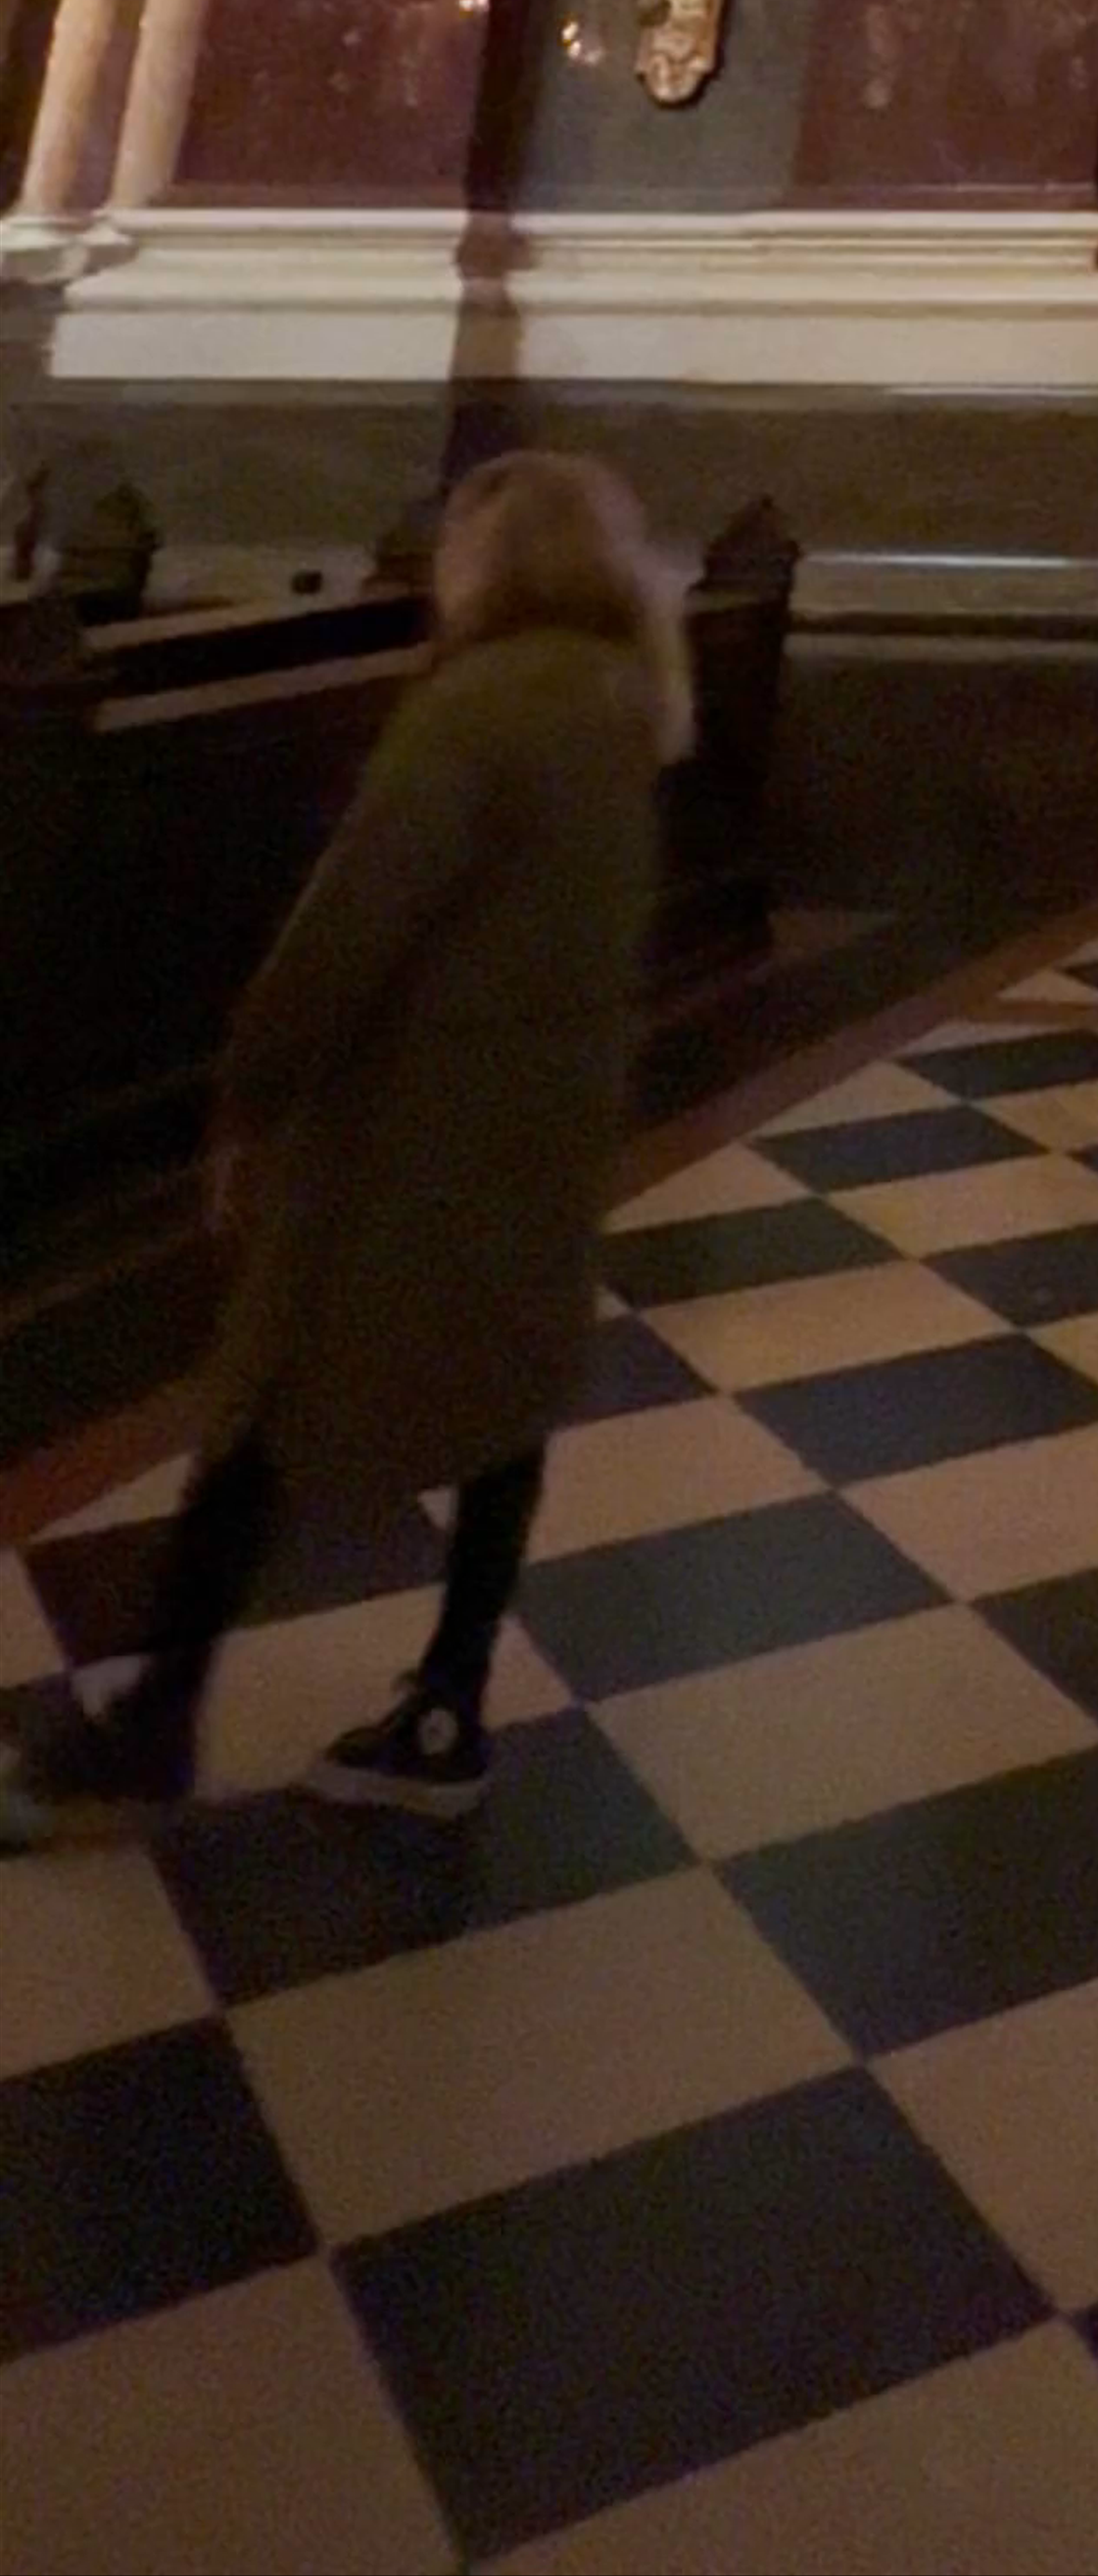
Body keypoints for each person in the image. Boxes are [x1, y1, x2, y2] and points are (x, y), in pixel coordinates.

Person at [4, 452, 688, 1843]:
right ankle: (445, 1706)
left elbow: (351, 919)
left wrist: (250, 1089)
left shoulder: (478, 705)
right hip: (541, 1114)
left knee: (263, 1402)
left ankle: (153, 1724)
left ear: (492, 558)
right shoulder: (624, 695)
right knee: (505, 1403)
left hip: (413, 1124)